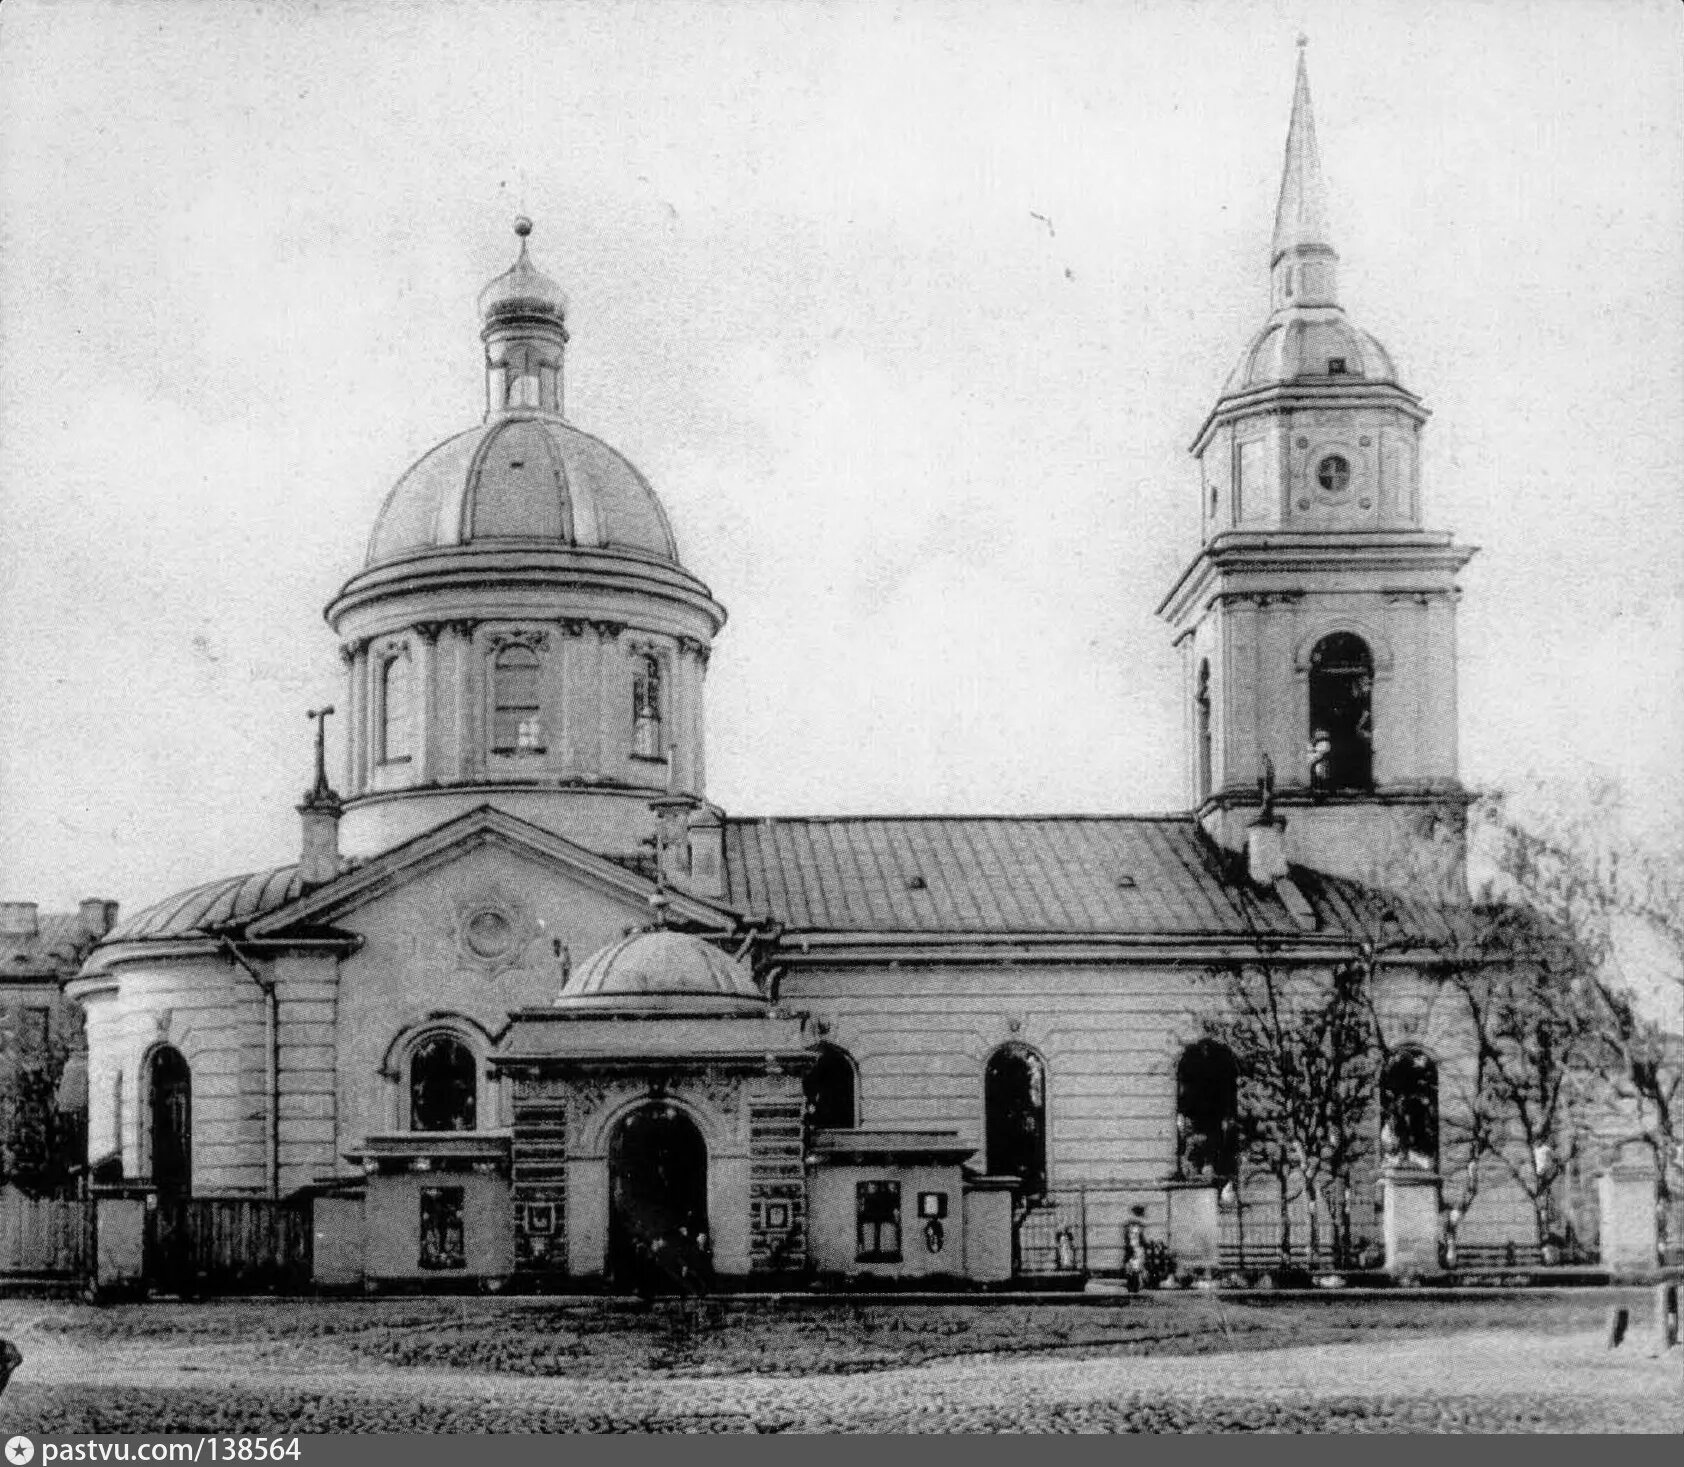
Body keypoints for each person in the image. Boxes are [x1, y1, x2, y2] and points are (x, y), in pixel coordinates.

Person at [1122, 1206, 1149, 1294]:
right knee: (1135, 1269)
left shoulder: (1129, 1225)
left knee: (1133, 1269)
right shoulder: (1136, 1226)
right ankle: (1134, 1287)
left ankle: (1133, 1287)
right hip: (1135, 1250)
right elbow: (1138, 1239)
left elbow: (1128, 1239)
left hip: (1133, 1250)